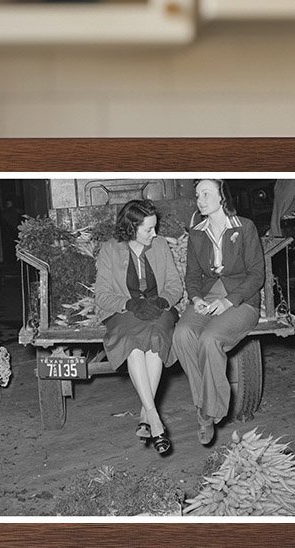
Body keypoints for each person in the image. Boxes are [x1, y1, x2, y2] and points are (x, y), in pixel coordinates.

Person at [173, 178, 265, 446]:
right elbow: (192, 275)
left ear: (222, 196)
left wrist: (229, 301)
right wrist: (196, 297)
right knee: (182, 334)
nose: (200, 200)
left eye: (206, 193)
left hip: (242, 300)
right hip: (208, 295)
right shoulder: (197, 233)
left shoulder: (244, 227)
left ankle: (206, 414)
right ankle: (205, 401)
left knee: (210, 339)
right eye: (197, 195)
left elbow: (257, 274)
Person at [94, 199, 183, 456]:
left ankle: (146, 415)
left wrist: (162, 301)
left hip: (159, 309)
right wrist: (130, 304)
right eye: (148, 229)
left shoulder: (161, 245)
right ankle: (154, 420)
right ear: (131, 228)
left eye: (155, 228)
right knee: (133, 345)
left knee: (156, 341)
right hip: (124, 312)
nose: (154, 234)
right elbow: (102, 294)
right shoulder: (110, 250)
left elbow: (175, 286)